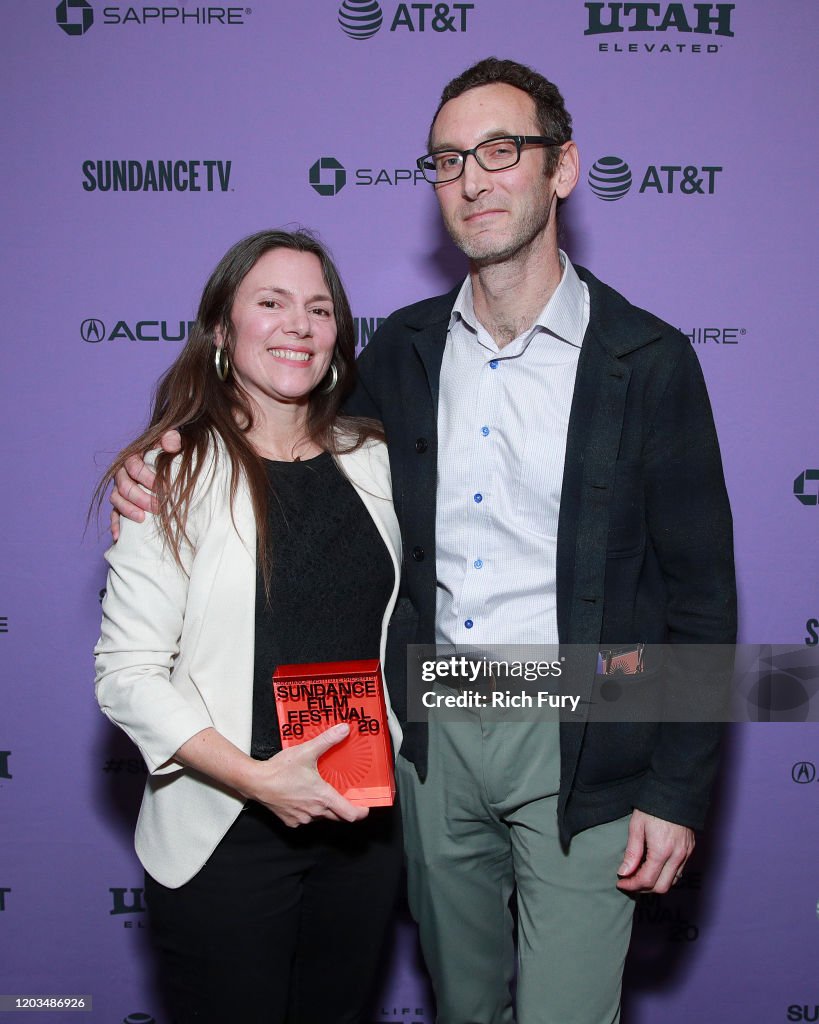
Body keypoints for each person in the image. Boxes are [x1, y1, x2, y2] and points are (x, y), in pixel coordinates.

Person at [112, 59, 736, 1024]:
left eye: (501, 150)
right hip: (426, 734)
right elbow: (279, 439)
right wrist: (159, 459)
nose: (473, 179)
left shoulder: (647, 360)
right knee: (460, 1005)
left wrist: (679, 786)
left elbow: (700, 593)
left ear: (561, 169)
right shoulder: (397, 353)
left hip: (585, 725)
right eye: (448, 161)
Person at [94, 229, 404, 1024]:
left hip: (359, 827)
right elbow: (126, 674)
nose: (297, 324)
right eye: (270, 303)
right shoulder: (173, 471)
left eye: (319, 308)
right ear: (223, 331)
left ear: (338, 338)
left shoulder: (375, 458)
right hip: (227, 827)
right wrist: (257, 777)